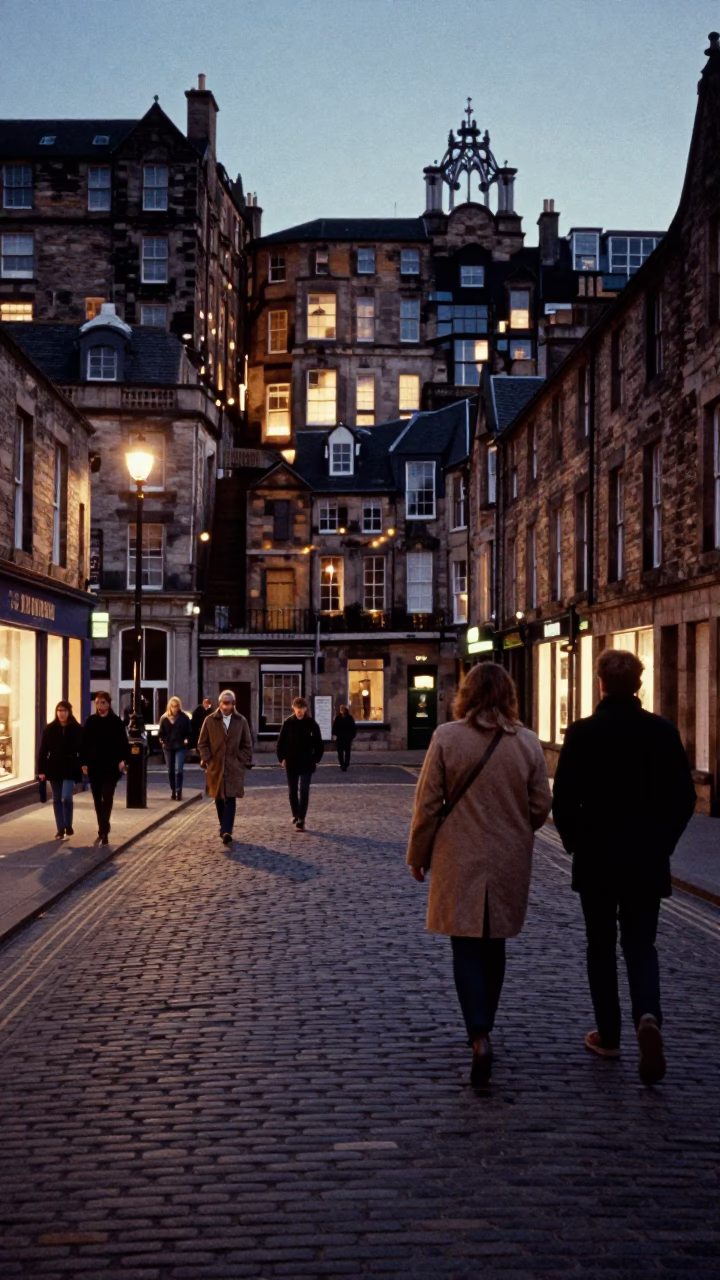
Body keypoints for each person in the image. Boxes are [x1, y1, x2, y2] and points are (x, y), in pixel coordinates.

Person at [552, 648, 696, 1086]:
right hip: (646, 859)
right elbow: (684, 799)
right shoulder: (662, 732)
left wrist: (575, 843)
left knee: (600, 947)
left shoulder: (581, 734)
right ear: (639, 684)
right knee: (641, 945)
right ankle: (648, 1017)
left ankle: (609, 1036)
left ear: (600, 684)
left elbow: (563, 800)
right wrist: (663, 843)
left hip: (597, 859)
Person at [406, 663, 551, 1086]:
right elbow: (541, 805)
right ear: (508, 695)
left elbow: (428, 803)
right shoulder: (526, 742)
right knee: (495, 944)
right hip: (508, 856)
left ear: (466, 694)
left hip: (458, 856)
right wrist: (515, 826)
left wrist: (419, 854)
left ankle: (478, 1033)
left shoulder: (447, 737)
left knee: (465, 945)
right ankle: (487, 1023)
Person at [197, 689, 252, 845]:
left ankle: (226, 830)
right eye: (222, 703)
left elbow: (247, 744)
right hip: (216, 767)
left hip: (233, 767)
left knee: (230, 798)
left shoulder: (241, 721)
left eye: (228, 703)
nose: (224, 706)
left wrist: (239, 760)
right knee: (219, 798)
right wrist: (209, 759)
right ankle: (224, 826)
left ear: (233, 704)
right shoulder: (210, 720)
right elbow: (202, 743)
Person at [80, 691, 130, 845]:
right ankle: (103, 825)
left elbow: (123, 743)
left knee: (107, 796)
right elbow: (84, 743)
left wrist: (123, 760)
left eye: (102, 702)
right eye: (97, 702)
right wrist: (84, 762)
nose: (99, 705)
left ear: (108, 704)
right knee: (97, 798)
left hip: (111, 765)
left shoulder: (115, 722)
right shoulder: (90, 721)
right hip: (95, 765)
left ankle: (103, 829)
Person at [276, 696, 324, 831]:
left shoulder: (312, 724)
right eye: (297, 708)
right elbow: (281, 743)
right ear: (294, 708)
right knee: (292, 790)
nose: (300, 711)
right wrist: (282, 758)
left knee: (304, 789)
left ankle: (301, 818)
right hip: (291, 762)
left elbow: (319, 744)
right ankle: (295, 814)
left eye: (302, 708)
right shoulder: (288, 723)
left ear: (305, 709)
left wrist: (316, 759)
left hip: (307, 762)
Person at [37, 700, 83, 838]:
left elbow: (83, 749)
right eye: (59, 711)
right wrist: (41, 771)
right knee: (57, 798)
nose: (61, 713)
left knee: (67, 797)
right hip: (54, 766)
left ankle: (68, 824)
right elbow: (43, 751)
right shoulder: (49, 729)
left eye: (64, 710)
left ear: (69, 712)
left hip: (70, 766)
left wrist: (82, 764)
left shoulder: (77, 729)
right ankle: (60, 829)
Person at [158, 696, 191, 800]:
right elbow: (160, 733)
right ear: (169, 707)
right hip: (168, 747)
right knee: (170, 770)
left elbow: (190, 732)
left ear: (179, 707)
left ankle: (178, 790)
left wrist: (187, 739)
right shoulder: (164, 719)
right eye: (172, 706)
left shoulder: (184, 718)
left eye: (176, 706)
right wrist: (162, 741)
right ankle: (173, 789)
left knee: (179, 769)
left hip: (180, 746)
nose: (174, 708)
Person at [332, 704, 356, 772]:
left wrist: (351, 736)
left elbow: (353, 728)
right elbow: (334, 727)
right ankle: (342, 764)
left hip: (347, 738)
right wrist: (335, 734)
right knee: (340, 752)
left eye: (343, 709)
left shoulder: (349, 718)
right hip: (340, 738)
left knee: (347, 752)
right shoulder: (338, 718)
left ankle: (346, 764)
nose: (342, 711)